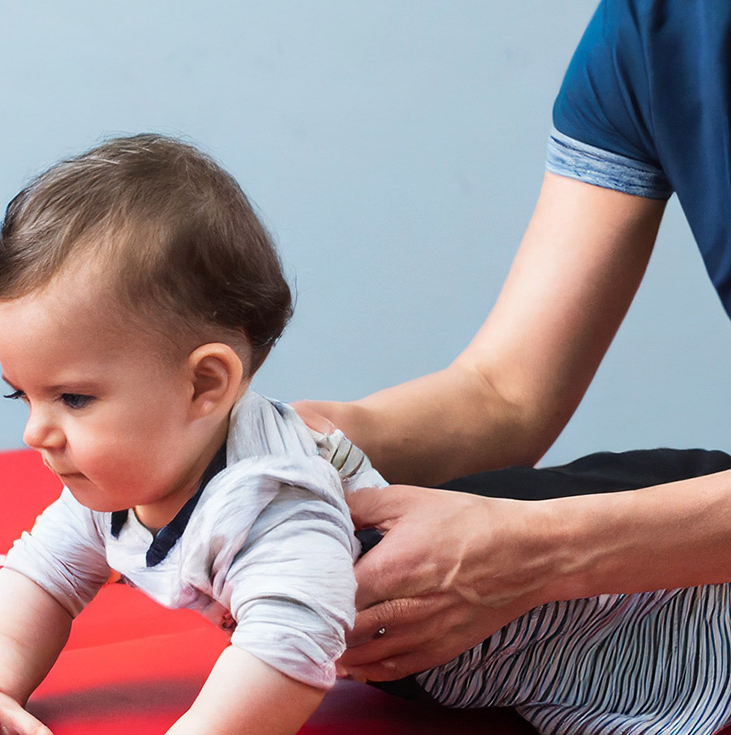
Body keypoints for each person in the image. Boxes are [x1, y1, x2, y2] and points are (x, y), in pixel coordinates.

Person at [0, 134, 386, 735]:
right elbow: (43, 576)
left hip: (545, 672)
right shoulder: (123, 478)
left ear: (206, 383)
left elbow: (289, 650)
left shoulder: (269, 497)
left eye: (74, 399)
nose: (36, 432)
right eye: (20, 397)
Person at [296, 0, 731, 689]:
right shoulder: (648, 30)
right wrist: (305, 441)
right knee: (383, 570)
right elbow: (506, 394)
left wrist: (542, 554)